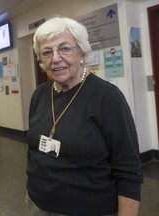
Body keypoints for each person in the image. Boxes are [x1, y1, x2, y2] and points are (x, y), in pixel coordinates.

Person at [25, 17, 143, 216]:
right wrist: (29, 191)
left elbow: (128, 169)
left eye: (65, 48)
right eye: (47, 52)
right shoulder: (39, 94)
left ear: (81, 52)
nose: (55, 58)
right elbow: (32, 151)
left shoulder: (107, 97)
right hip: (38, 204)